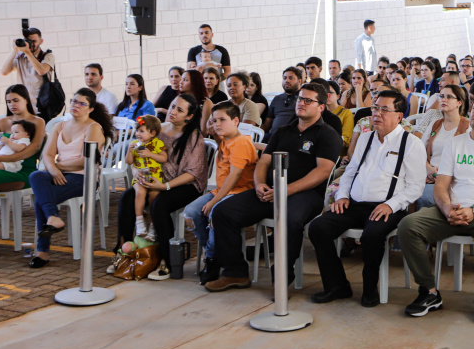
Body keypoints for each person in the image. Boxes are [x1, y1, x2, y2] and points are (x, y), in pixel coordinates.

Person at [398, 94, 474, 323]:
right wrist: (446, 208)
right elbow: (441, 185)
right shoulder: (456, 143)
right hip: (451, 209)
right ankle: (429, 291)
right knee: (408, 225)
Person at [208, 83, 343, 291]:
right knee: (223, 212)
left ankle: (280, 279)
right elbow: (263, 162)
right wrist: (259, 183)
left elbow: (323, 171)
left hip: (306, 195)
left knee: (288, 221)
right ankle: (235, 272)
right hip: (270, 190)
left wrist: (287, 190)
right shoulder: (283, 131)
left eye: (309, 100)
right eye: (300, 99)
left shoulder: (327, 134)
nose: (302, 103)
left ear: (321, 107)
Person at [308, 90, 426, 307]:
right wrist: (342, 196)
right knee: (318, 228)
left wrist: (390, 205)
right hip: (354, 204)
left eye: (384, 110)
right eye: (375, 108)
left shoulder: (410, 144)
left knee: (372, 236)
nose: (377, 114)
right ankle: (337, 286)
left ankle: (370, 288)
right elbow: (351, 171)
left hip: (388, 207)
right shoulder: (365, 138)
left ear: (399, 116)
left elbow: (416, 187)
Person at [113, 94, 207, 280]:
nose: (172, 111)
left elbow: (193, 173)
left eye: (179, 110)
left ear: (189, 116)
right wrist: (136, 171)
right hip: (153, 179)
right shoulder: (157, 129)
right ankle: (124, 252)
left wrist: (165, 186)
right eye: (172, 106)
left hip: (184, 184)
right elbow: (136, 153)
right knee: (127, 197)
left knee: (160, 204)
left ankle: (166, 259)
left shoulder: (194, 137)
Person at [27, 88, 113, 268]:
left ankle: (43, 251)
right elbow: (47, 155)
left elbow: (86, 161)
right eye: (74, 101)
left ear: (90, 108)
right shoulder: (60, 126)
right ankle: (52, 217)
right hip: (60, 173)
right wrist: (53, 169)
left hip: (84, 177)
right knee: (36, 176)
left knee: (41, 200)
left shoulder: (94, 128)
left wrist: (58, 167)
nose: (76, 106)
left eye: (82, 103)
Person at [184, 101, 259, 285]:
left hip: (239, 193)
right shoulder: (225, 139)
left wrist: (214, 201)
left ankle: (211, 259)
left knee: (214, 215)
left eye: (222, 120)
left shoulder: (241, 142)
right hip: (222, 190)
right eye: (215, 120)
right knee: (191, 213)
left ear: (235, 121)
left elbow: (234, 177)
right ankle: (215, 255)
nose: (217, 124)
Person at [416, 85, 469, 207]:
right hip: (430, 175)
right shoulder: (436, 124)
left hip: (454, 179)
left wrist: (441, 176)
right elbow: (420, 151)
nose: (443, 100)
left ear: (459, 102)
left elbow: (467, 160)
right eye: (441, 96)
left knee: (424, 196)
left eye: (449, 97)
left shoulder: (467, 127)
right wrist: (428, 168)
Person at [0, 86, 46, 193]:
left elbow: (34, 148)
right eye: (8, 101)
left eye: (16, 100)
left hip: (22, 170)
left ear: (26, 100)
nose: (11, 105)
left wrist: (7, 159)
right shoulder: (1, 122)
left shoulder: (37, 121)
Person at [125, 114, 167, 239]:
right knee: (140, 192)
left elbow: (164, 158)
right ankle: (139, 222)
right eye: (137, 131)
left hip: (155, 178)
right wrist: (129, 150)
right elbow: (129, 162)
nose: (138, 134)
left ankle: (153, 226)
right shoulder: (134, 144)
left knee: (154, 196)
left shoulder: (157, 143)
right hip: (140, 177)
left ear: (153, 133)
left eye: (142, 131)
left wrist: (150, 154)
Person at [0, 27, 55, 117]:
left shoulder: (47, 56)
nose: (31, 44)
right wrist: (15, 51)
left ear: (41, 41)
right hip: (24, 108)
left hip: (42, 106)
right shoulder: (20, 56)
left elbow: (41, 71)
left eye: (34, 41)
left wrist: (28, 53)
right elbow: (4, 72)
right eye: (28, 41)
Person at [262, 67, 302, 140]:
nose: (287, 80)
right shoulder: (277, 99)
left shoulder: (303, 99)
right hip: (274, 136)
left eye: (291, 78)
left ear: (299, 81)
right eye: (284, 78)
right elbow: (267, 124)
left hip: (294, 137)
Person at [324, 80, 353, 152]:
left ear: (338, 96)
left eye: (330, 92)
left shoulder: (346, 113)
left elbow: (345, 140)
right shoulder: (318, 112)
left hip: (337, 152)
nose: (327, 96)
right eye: (324, 93)